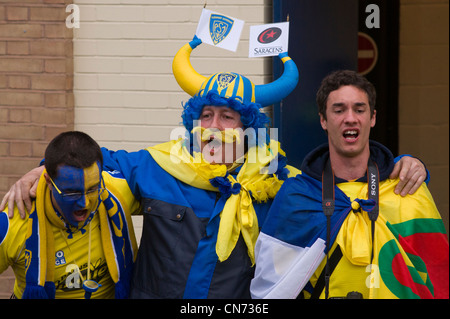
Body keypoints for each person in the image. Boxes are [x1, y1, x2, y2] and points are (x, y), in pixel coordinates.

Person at [1, 38, 427, 299]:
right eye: (205, 116)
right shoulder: (156, 166)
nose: (213, 128)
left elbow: (348, 185)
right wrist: (42, 171)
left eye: (227, 117)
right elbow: (87, 161)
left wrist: (401, 164)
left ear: (248, 128)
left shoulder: (280, 184)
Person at [250, 70, 449, 299]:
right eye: (339, 110)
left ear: (372, 118)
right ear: (323, 120)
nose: (350, 118)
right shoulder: (296, 196)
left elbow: (436, 277)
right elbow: (272, 286)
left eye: (359, 109)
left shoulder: (406, 190)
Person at [0, 131, 139, 299]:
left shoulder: (117, 192)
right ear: (49, 182)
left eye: (92, 189)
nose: (84, 203)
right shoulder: (14, 219)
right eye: (71, 193)